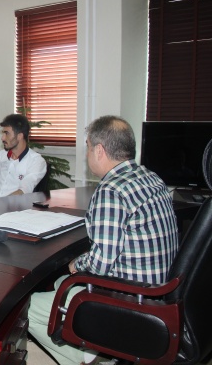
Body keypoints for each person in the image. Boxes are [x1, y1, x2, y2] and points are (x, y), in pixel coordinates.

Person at [27, 115, 179, 365]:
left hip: (130, 298)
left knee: (28, 308)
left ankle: (84, 358)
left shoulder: (111, 190)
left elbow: (100, 265)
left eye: (88, 147)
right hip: (157, 291)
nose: (87, 154)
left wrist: (77, 263)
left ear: (99, 150)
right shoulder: (150, 177)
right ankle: (89, 344)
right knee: (61, 283)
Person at [0, 114, 46, 199]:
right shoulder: (2, 155)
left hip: (14, 206)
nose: (2, 138)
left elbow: (23, 190)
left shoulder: (36, 161)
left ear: (20, 136)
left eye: (7, 133)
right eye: (3, 133)